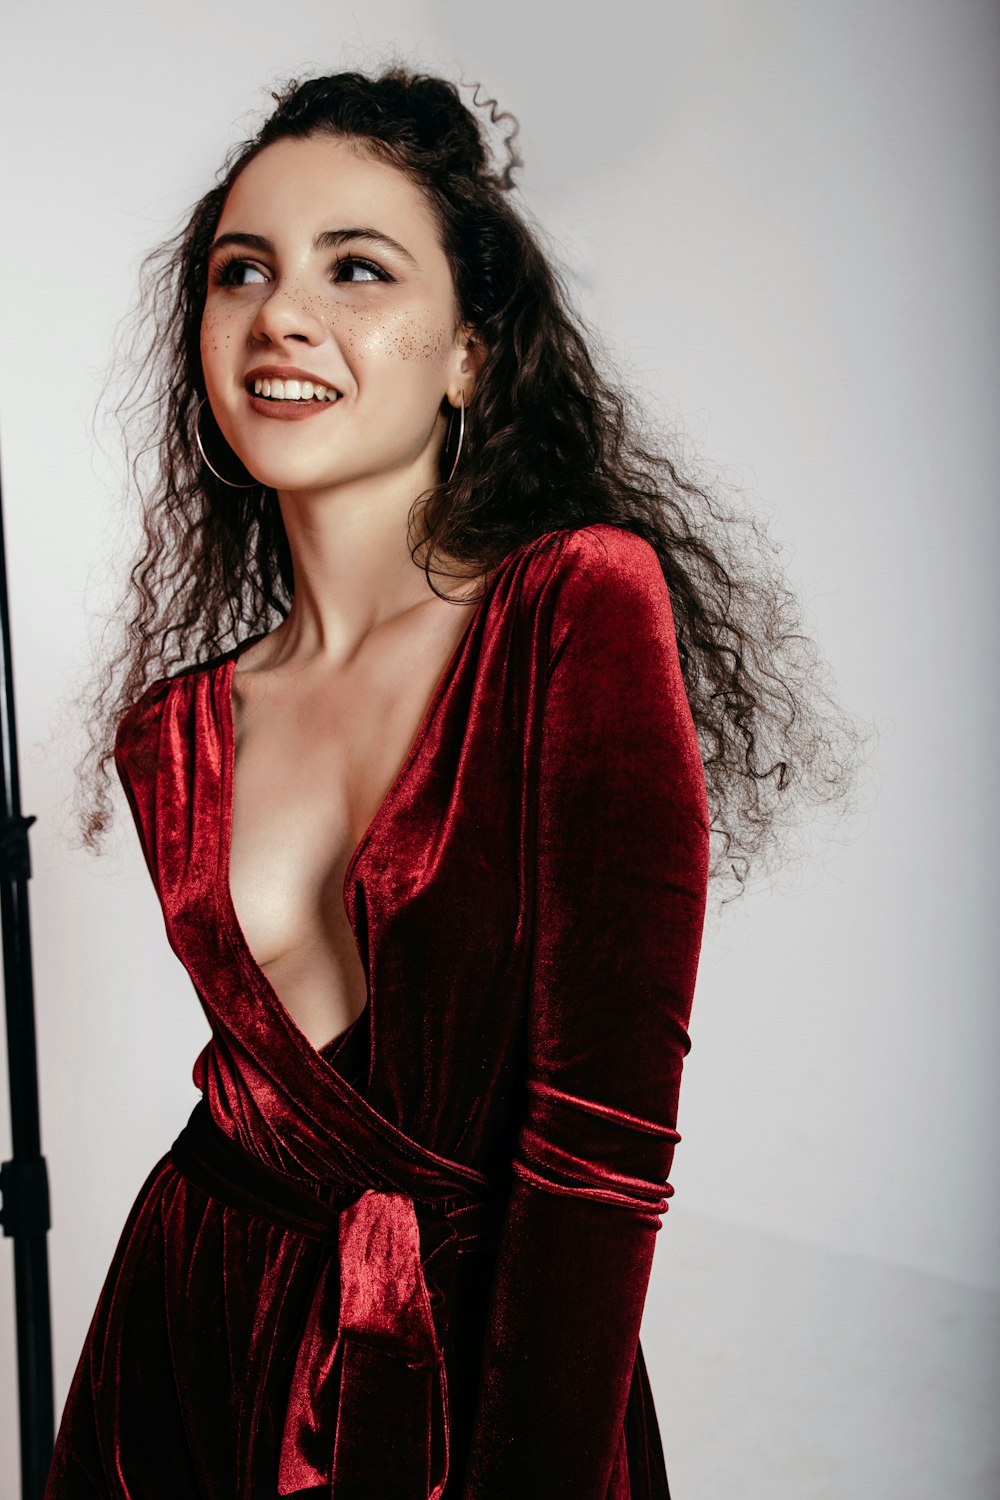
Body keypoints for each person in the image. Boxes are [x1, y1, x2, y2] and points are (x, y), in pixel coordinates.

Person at [51, 64, 861, 1499]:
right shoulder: (177, 728)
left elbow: (598, 1164)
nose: (281, 315)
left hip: (471, 1379)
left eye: (354, 268)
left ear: (472, 353)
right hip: (185, 1325)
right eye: (243, 272)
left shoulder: (574, 614)